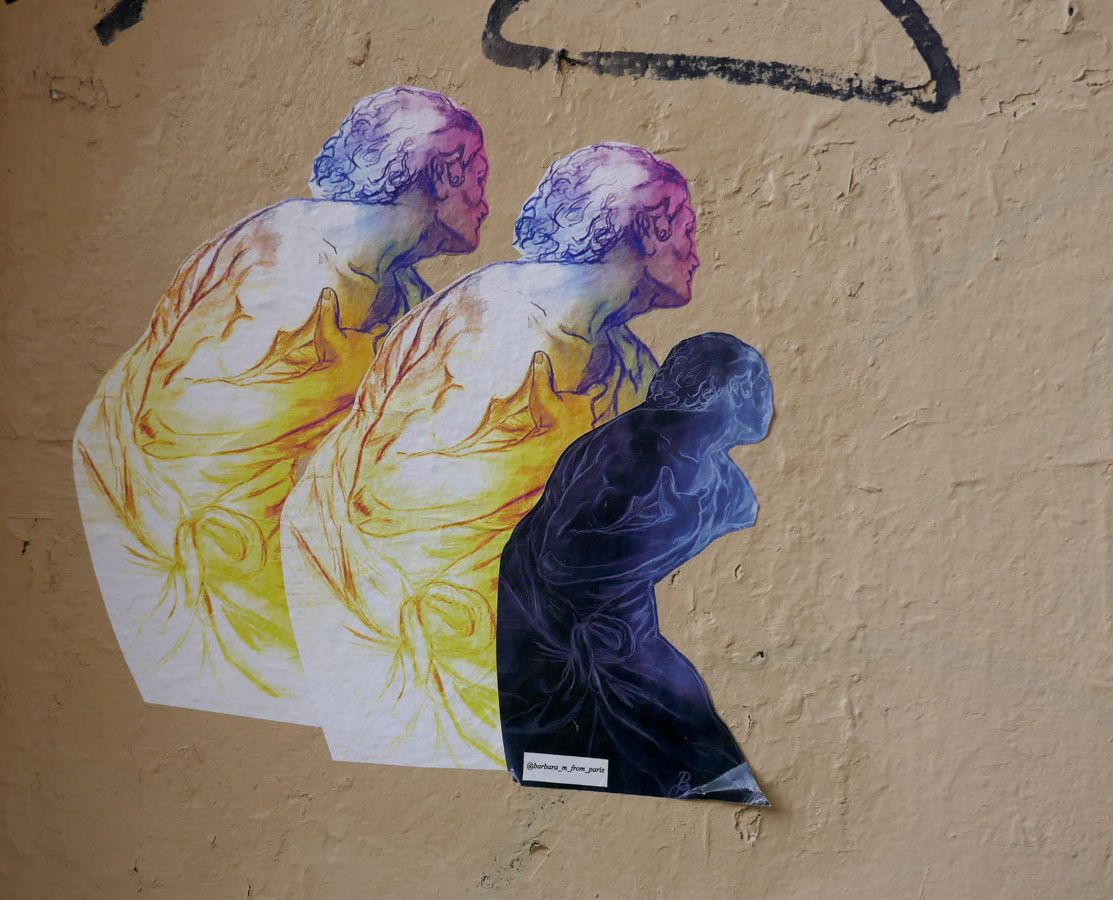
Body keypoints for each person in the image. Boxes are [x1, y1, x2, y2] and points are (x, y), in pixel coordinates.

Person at [73, 87, 489, 724]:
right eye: (476, 177)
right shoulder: (290, 269)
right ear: (437, 175)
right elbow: (180, 439)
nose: (485, 202)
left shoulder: (398, 289)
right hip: (220, 575)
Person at [280, 144, 698, 766]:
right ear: (644, 230)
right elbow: (406, 521)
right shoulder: (499, 332)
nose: (695, 255)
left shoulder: (626, 362)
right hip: (422, 646)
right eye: (684, 232)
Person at [496, 332, 772, 804]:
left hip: (616, 626)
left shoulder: (719, 475)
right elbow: (561, 560)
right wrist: (618, 626)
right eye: (752, 385)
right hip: (562, 632)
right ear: (717, 392)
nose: (764, 400)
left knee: (684, 736)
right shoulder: (638, 455)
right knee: (672, 733)